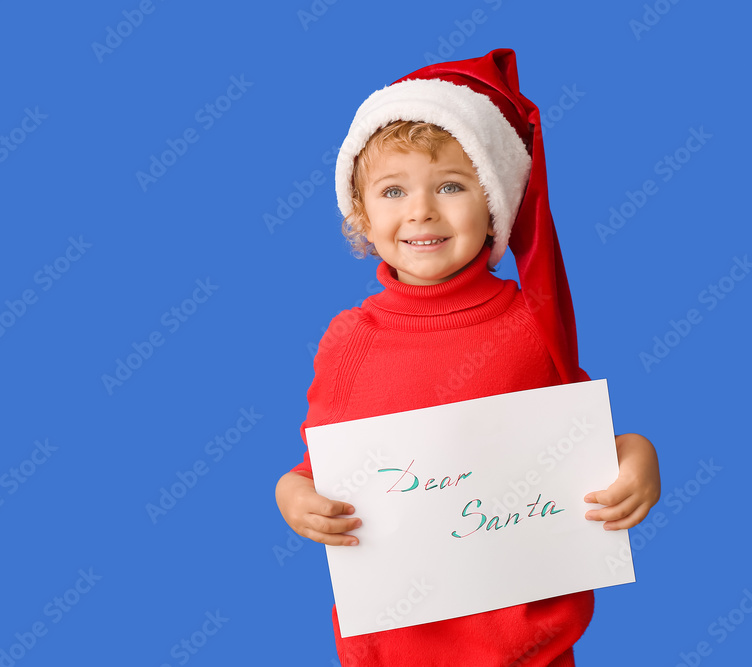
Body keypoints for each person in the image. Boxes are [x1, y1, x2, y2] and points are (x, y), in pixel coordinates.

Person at [274, 48, 660, 666]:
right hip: (392, 650)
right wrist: (293, 498)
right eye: (393, 190)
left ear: (495, 208)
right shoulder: (349, 342)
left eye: (451, 186)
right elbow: (316, 471)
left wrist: (638, 457)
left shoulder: (533, 324)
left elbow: (583, 447)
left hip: (530, 651)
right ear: (362, 217)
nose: (421, 209)